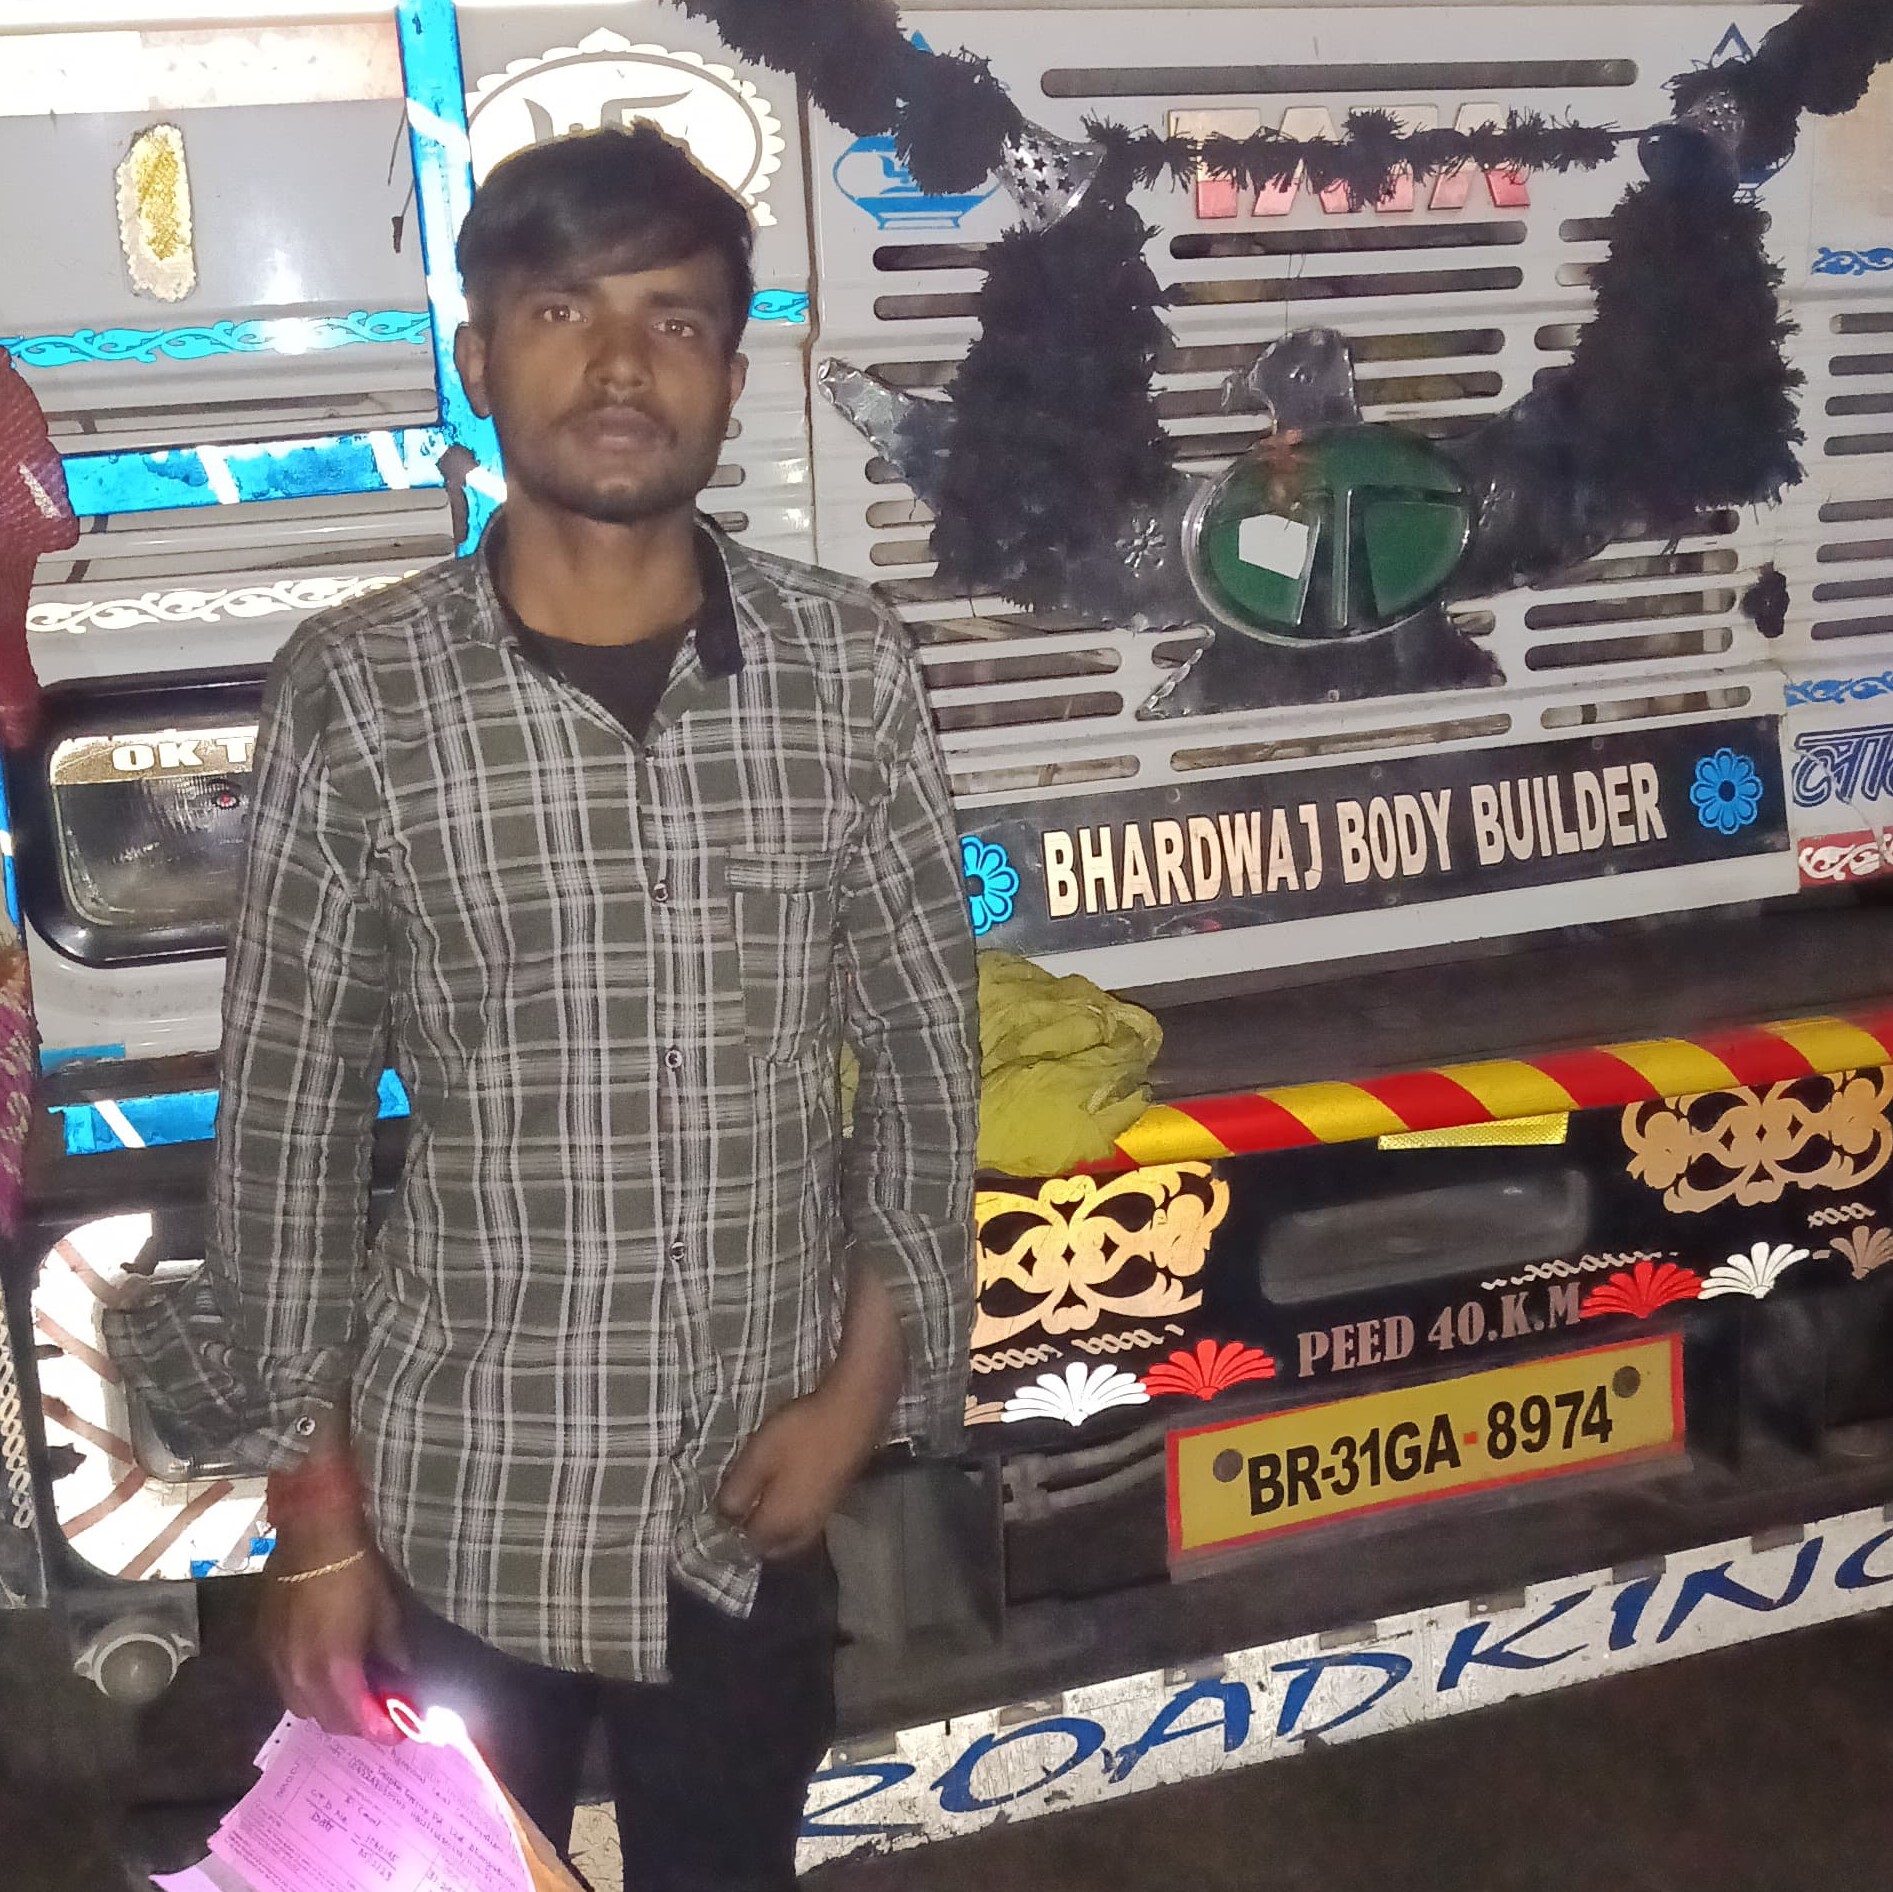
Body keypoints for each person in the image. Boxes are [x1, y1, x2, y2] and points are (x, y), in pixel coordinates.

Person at [107, 125, 980, 1889]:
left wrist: (852, 1403)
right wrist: (314, 1521)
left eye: (675, 319)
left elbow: (922, 1064)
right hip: (465, 1508)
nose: (621, 364)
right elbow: (287, 1129)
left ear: (730, 371)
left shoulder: (845, 672)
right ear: (481, 355)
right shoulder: (359, 692)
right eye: (565, 311)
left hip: (751, 1497)